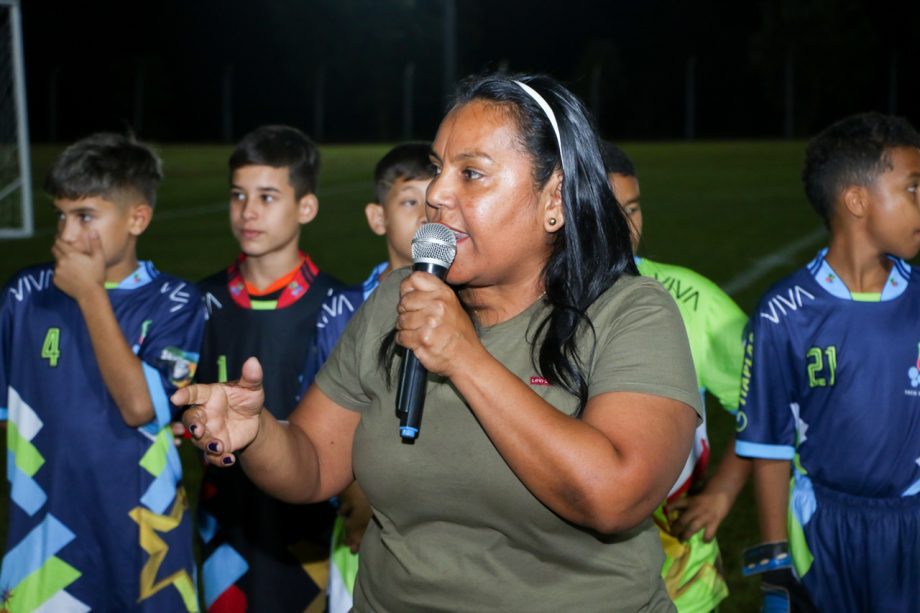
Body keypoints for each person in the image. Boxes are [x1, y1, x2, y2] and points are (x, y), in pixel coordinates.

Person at [177, 73, 701, 612]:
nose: (436, 193)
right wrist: (256, 432)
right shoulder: (399, 299)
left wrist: (465, 358)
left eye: (471, 173)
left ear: (555, 199)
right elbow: (312, 463)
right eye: (437, 167)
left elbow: (615, 497)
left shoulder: (631, 312)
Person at [0, 133, 204, 611]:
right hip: (40, 542)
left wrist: (92, 295)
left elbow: (139, 408)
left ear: (138, 218)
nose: (67, 234)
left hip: (142, 544)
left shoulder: (176, 302)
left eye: (85, 216)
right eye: (61, 215)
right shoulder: (24, 296)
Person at [734, 112, 920, 612]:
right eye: (913, 189)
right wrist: (775, 567)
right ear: (857, 201)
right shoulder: (783, 314)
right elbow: (768, 447)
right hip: (824, 531)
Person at [195, 125, 343, 612]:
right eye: (238, 195)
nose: (248, 211)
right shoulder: (199, 302)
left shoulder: (340, 307)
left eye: (266, 196)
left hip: (312, 529)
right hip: (225, 525)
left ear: (306, 207)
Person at [603, 142, 751, 612]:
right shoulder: (527, 304)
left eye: (633, 209)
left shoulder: (692, 301)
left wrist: (723, 492)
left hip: (680, 585)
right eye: (607, 212)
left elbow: (772, 399)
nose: (625, 228)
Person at [308, 142, 435, 613]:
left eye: (434, 200)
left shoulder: (468, 306)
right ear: (376, 217)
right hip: (359, 524)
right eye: (408, 201)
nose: (426, 215)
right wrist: (357, 495)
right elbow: (323, 419)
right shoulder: (342, 309)